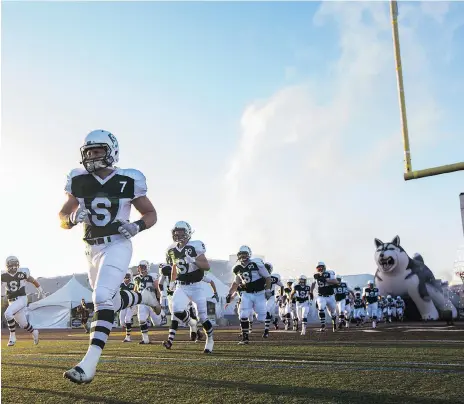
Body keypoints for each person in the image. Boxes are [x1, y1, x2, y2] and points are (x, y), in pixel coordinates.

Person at [60, 129, 159, 384]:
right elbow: (61, 215)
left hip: (117, 244)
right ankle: (141, 297)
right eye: (89, 151)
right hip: (90, 249)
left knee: (101, 297)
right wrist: (70, 219)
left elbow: (151, 213)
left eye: (97, 151)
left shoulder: (128, 179)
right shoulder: (78, 179)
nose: (92, 156)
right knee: (108, 301)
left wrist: (137, 226)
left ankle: (88, 364)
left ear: (111, 151)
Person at [1, 256, 43, 346]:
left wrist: (40, 290)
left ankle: (12, 337)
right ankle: (34, 332)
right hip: (11, 301)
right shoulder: (3, 276)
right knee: (23, 324)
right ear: (7, 266)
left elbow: (32, 280)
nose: (13, 267)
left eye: (15, 265)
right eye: (11, 265)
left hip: (21, 298)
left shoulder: (22, 273)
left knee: (8, 314)